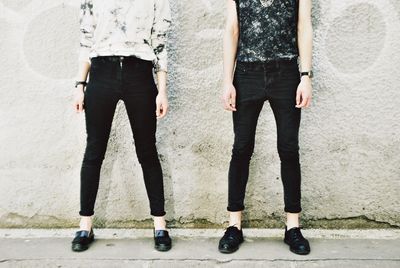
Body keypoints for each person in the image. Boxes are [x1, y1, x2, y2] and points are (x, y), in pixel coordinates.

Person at [72, 0, 172, 252]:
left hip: (139, 72)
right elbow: (86, 38)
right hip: (101, 72)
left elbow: (159, 42)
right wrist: (79, 85)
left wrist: (162, 91)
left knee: (147, 151)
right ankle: (85, 225)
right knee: (94, 151)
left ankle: (160, 224)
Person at [219, 0, 313, 255]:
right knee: (241, 148)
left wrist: (306, 76)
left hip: (286, 71)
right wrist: (227, 81)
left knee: (289, 148)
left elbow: (304, 25)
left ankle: (292, 227)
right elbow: (232, 28)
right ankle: (233, 226)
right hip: (247, 72)